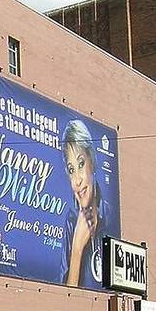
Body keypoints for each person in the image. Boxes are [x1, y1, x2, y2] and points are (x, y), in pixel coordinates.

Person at [59, 119, 116, 289]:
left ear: (92, 161)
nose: (77, 180)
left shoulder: (111, 216)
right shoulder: (71, 223)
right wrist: (77, 249)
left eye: (81, 164)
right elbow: (65, 298)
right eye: (71, 170)